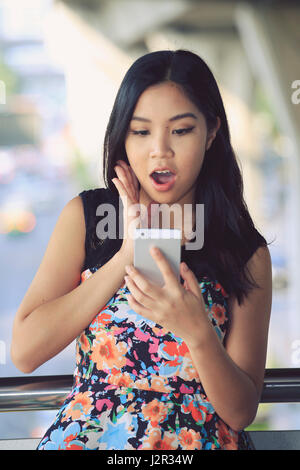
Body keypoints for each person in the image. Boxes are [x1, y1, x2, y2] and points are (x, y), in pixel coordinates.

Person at [11, 49, 272, 450]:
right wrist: (125, 256)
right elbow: (26, 352)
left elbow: (240, 412)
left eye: (181, 130)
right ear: (122, 135)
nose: (159, 151)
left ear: (212, 131)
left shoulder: (244, 251)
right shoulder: (88, 218)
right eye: (141, 131)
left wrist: (197, 330)